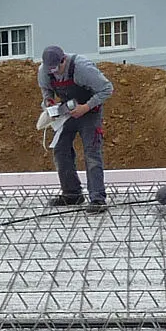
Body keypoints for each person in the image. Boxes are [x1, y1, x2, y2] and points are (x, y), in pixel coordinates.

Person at [39, 45, 113, 213]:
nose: (55, 73)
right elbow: (46, 90)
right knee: (60, 149)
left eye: (57, 69)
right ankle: (72, 194)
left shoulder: (83, 68)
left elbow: (107, 89)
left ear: (63, 59)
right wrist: (49, 102)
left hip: (89, 112)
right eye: (51, 71)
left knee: (91, 152)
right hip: (67, 110)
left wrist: (86, 107)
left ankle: (97, 198)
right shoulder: (44, 71)